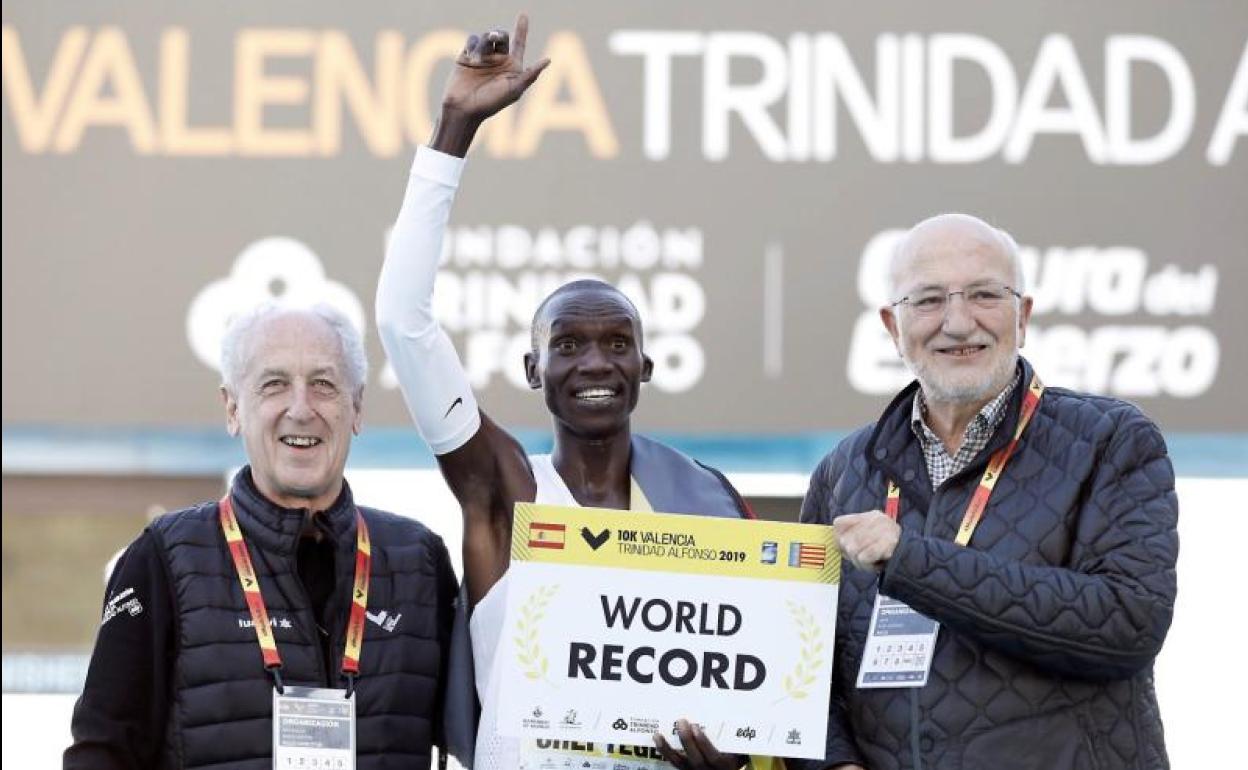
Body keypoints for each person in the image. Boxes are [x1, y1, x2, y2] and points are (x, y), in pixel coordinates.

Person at [375, 15, 777, 770]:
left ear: (646, 369)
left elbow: (750, 712)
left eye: (617, 344)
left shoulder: (707, 505)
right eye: (567, 345)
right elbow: (404, 324)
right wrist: (454, 128)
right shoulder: (506, 492)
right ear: (533, 372)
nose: (594, 362)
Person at [799, 213, 1178, 770]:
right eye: (927, 300)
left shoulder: (1112, 441)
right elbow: (804, 665)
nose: (957, 322)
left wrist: (911, 560)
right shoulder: (843, 471)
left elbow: (1125, 623)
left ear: (1022, 316)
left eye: (984, 294)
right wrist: (836, 764)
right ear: (891, 326)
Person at [65, 304, 457, 769]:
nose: (301, 409)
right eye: (274, 385)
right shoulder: (163, 557)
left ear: (357, 407)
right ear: (232, 408)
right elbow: (102, 752)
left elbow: (489, 733)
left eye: (324, 385)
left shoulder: (419, 561)